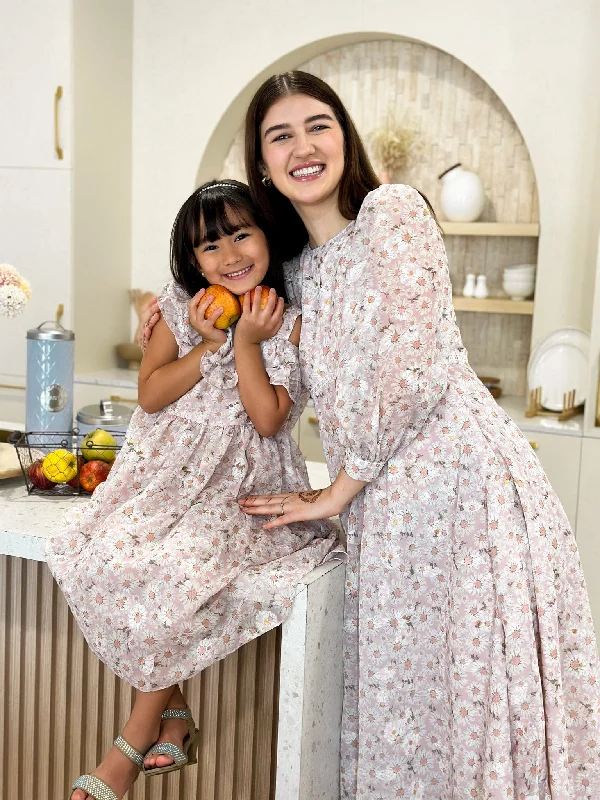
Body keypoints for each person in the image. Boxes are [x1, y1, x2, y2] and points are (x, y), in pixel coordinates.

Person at [234, 71, 600, 799]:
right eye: (281, 136)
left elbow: (413, 364)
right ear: (263, 165)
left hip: (461, 493)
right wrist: (192, 330)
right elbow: (275, 406)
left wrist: (338, 487)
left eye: (319, 126)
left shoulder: (392, 213)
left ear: (345, 138)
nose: (303, 146)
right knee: (413, 710)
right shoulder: (300, 273)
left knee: (471, 696)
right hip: (386, 515)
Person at [46, 179, 338, 800]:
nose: (229, 255)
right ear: (191, 259)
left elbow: (268, 419)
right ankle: (175, 712)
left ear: (268, 237)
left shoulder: (291, 323)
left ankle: (130, 742)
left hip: (238, 492)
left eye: (241, 235)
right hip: (165, 482)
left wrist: (248, 345)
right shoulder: (184, 307)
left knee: (173, 576)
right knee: (93, 553)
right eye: (211, 246)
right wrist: (208, 345)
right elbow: (151, 394)